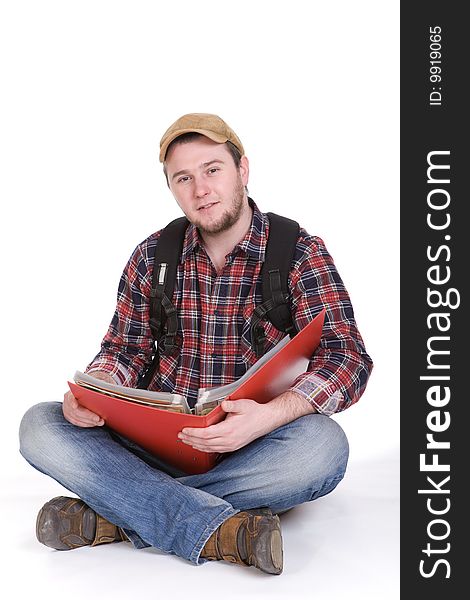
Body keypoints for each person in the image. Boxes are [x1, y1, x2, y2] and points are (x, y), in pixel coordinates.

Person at [19, 113, 373, 575]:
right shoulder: (152, 255)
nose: (200, 189)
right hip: (150, 443)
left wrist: (269, 415)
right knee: (40, 425)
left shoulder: (298, 251)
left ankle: (113, 513)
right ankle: (217, 528)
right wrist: (99, 388)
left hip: (254, 445)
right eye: (183, 178)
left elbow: (348, 358)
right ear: (171, 187)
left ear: (242, 170)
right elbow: (124, 350)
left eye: (212, 170)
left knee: (322, 448)